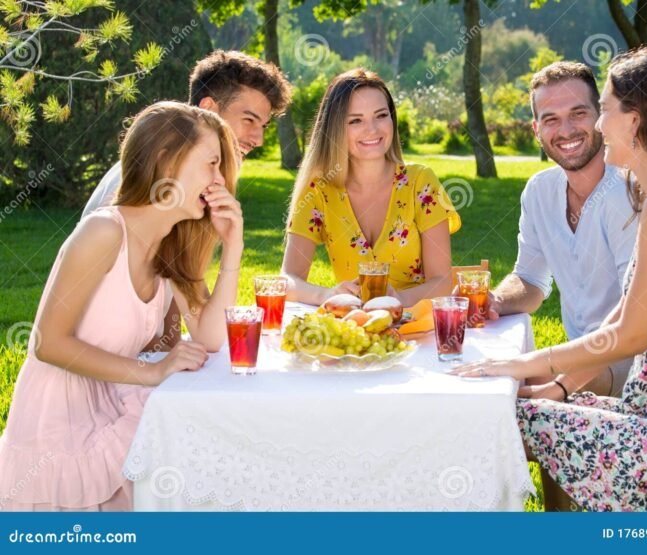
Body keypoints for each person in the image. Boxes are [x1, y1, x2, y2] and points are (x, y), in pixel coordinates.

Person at [452, 46, 647, 511]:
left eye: (603, 110)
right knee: (517, 413)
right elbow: (624, 309)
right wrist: (553, 381)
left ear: (637, 120)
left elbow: (630, 334)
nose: (595, 126)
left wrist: (525, 365)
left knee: (497, 420)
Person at [0, 101, 243, 511]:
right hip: (59, 426)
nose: (219, 180)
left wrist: (233, 243)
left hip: (111, 405)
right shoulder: (103, 232)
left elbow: (212, 337)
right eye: (212, 164)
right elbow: (47, 344)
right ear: (167, 160)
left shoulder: (170, 245)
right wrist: (152, 372)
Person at [82, 50, 292, 350]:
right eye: (249, 120)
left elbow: (185, 299)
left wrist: (234, 246)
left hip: (143, 364)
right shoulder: (150, 186)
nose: (258, 139)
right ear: (208, 108)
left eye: (264, 126)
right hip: (106, 368)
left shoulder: (189, 186)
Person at [490, 61, 637, 401]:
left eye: (578, 113)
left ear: (600, 117)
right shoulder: (540, 191)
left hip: (634, 359)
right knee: (493, 383)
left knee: (507, 394)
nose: (566, 130)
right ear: (536, 130)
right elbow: (530, 279)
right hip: (581, 356)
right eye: (551, 119)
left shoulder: (629, 191)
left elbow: (634, 314)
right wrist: (494, 300)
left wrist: (557, 380)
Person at [282, 69, 461, 307]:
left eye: (381, 115)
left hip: (416, 328)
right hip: (356, 329)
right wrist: (327, 295)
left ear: (392, 118)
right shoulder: (319, 190)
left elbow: (443, 281)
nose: (373, 130)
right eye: (356, 120)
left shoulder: (422, 182)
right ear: (335, 128)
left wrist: (397, 300)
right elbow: (287, 279)